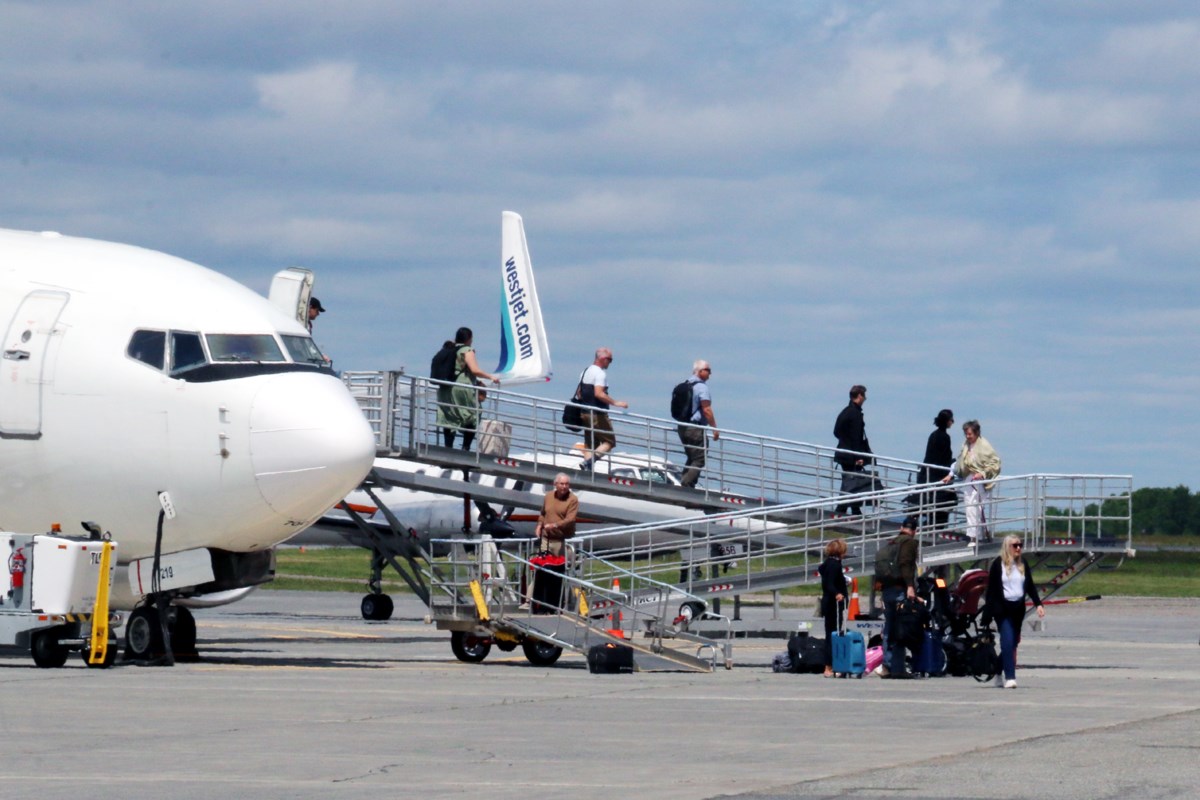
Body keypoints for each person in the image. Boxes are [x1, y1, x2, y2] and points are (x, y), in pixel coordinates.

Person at [984, 535, 1045, 688]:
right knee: (1007, 641)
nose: (1018, 548)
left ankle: (997, 670)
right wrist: (988, 614)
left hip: (1018, 609)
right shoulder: (998, 564)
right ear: (1007, 547)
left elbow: (1030, 586)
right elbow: (991, 591)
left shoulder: (1023, 564)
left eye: (1020, 545)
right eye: (1015, 545)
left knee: (1012, 643)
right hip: (1002, 609)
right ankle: (1010, 677)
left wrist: (1038, 604)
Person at [435, 327, 500, 452]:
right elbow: (475, 370)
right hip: (461, 388)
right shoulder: (466, 350)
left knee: (450, 417)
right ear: (469, 339)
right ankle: (465, 447)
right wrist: (490, 377)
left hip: (445, 388)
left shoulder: (449, 349)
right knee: (473, 414)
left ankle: (448, 448)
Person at [941, 420, 1001, 542]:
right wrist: (951, 474)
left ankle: (975, 536)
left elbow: (995, 463)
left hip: (980, 481)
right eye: (966, 434)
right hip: (969, 479)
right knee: (969, 507)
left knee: (975, 507)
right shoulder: (966, 445)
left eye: (970, 434)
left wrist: (982, 473)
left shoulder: (984, 445)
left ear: (976, 433)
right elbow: (960, 461)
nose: (968, 436)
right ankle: (974, 535)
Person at [528, 473, 579, 612]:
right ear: (555, 484)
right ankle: (536, 603)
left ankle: (555, 604)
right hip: (546, 538)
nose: (564, 487)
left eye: (567, 484)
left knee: (556, 572)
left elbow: (570, 519)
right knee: (541, 570)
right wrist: (539, 525)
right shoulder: (548, 496)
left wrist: (555, 525)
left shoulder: (572, 499)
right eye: (562, 484)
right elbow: (543, 514)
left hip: (560, 540)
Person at [576, 348, 628, 472]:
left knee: (590, 444)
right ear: (603, 359)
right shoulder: (600, 374)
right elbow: (599, 393)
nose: (610, 363)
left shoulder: (585, 371)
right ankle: (588, 462)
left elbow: (579, 393)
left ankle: (588, 472)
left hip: (585, 412)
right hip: (597, 414)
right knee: (609, 442)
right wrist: (616, 403)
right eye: (610, 360)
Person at [879, 516, 919, 679]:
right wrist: (910, 586)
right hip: (900, 590)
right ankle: (898, 668)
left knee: (889, 628)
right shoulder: (909, 542)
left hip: (887, 590)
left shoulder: (892, 542)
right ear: (915, 531)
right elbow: (905, 563)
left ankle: (887, 666)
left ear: (901, 528)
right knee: (901, 629)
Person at [677, 360, 719, 488]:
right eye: (708, 370)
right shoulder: (701, 387)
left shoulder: (686, 383)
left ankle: (685, 484)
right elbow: (706, 409)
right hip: (695, 428)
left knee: (692, 457)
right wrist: (714, 429)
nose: (710, 373)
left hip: (682, 427)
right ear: (700, 371)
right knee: (700, 458)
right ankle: (686, 484)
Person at [833, 385, 873, 516]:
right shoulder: (855, 414)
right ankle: (843, 511)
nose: (865, 398)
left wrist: (845, 442)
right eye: (864, 395)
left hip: (844, 454)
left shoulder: (846, 411)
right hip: (851, 456)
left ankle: (848, 511)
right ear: (859, 396)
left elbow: (836, 432)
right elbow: (856, 438)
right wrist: (858, 457)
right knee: (851, 484)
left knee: (849, 483)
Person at [918, 409, 957, 530]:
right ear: (947, 421)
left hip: (928, 475)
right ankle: (936, 527)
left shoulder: (933, 435)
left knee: (932, 504)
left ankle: (932, 526)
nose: (952, 422)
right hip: (939, 476)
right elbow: (945, 457)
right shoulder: (944, 437)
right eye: (951, 420)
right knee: (945, 503)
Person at [818, 538, 849, 678]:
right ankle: (829, 666)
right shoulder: (834, 565)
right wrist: (838, 593)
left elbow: (828, 579)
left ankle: (830, 665)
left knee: (830, 633)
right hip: (833, 604)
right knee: (833, 634)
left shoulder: (827, 564)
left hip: (828, 602)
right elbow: (829, 584)